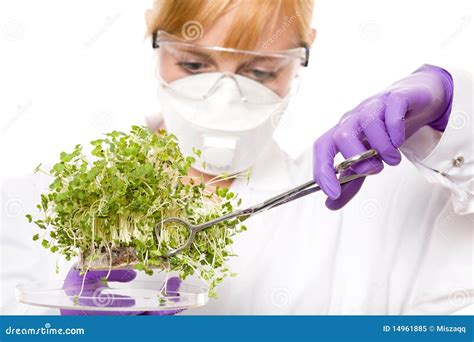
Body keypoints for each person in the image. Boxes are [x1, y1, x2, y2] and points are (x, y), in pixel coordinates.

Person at [3, 0, 472, 315]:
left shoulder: (358, 213)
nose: (224, 94)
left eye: (260, 70)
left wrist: (451, 111)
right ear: (155, 38)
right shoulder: (31, 206)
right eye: (193, 64)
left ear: (299, 59)